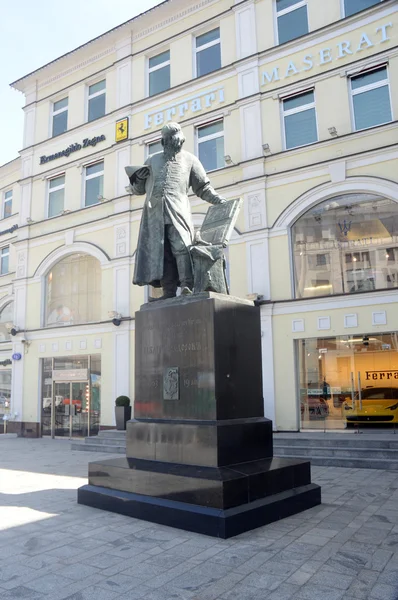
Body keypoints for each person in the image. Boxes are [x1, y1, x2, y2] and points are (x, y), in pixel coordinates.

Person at [126, 122, 225, 300]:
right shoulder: (151, 161)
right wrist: (138, 181)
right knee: (161, 252)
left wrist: (217, 199)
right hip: (154, 214)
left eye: (176, 140)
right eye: (169, 140)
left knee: (181, 247)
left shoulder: (190, 160)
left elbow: (202, 187)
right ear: (163, 141)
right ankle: (168, 291)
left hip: (178, 209)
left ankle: (187, 285)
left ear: (181, 140)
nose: (173, 144)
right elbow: (138, 190)